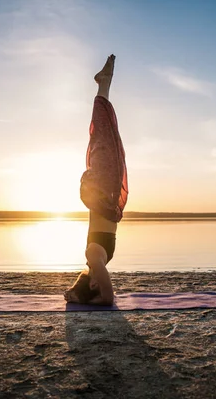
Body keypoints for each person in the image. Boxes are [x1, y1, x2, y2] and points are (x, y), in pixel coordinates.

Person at [63, 54, 128, 306]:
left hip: (106, 197)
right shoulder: (94, 256)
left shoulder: (100, 258)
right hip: (103, 194)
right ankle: (103, 85)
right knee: (102, 136)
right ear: (91, 283)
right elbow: (109, 298)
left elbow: (101, 288)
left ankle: (104, 86)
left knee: (106, 139)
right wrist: (96, 298)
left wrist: (80, 295)